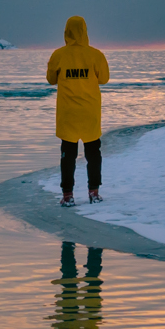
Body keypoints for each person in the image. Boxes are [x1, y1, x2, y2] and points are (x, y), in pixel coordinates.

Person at [45, 15, 110, 207]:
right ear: (85, 31)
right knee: (93, 154)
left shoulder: (58, 55)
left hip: (68, 114)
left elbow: (51, 79)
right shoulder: (95, 55)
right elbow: (104, 79)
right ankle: (94, 193)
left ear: (66, 32)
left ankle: (68, 196)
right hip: (89, 112)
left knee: (68, 155)